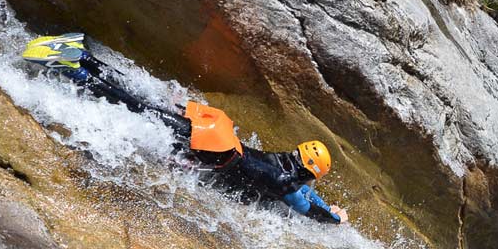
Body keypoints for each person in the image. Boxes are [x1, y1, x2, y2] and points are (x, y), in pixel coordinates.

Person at [22, 33, 348, 224]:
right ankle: (79, 73)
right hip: (203, 146)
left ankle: (82, 56)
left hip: (211, 130)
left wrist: (322, 200)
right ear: (306, 173)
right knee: (133, 105)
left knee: (139, 100)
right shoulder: (283, 182)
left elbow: (305, 190)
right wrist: (334, 219)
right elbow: (305, 206)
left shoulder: (283, 164)